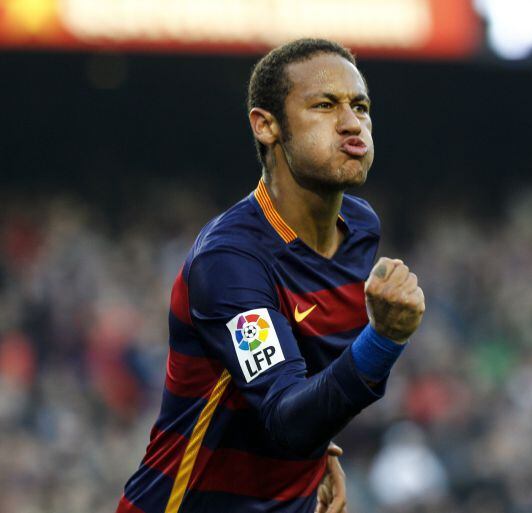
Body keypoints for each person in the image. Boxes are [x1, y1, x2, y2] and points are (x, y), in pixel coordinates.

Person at [115, 38, 425, 513]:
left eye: (360, 106)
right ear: (266, 125)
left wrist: (316, 450)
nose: (351, 123)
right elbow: (287, 419)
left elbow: (305, 379)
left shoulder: (360, 229)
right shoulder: (231, 262)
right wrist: (383, 340)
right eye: (324, 106)